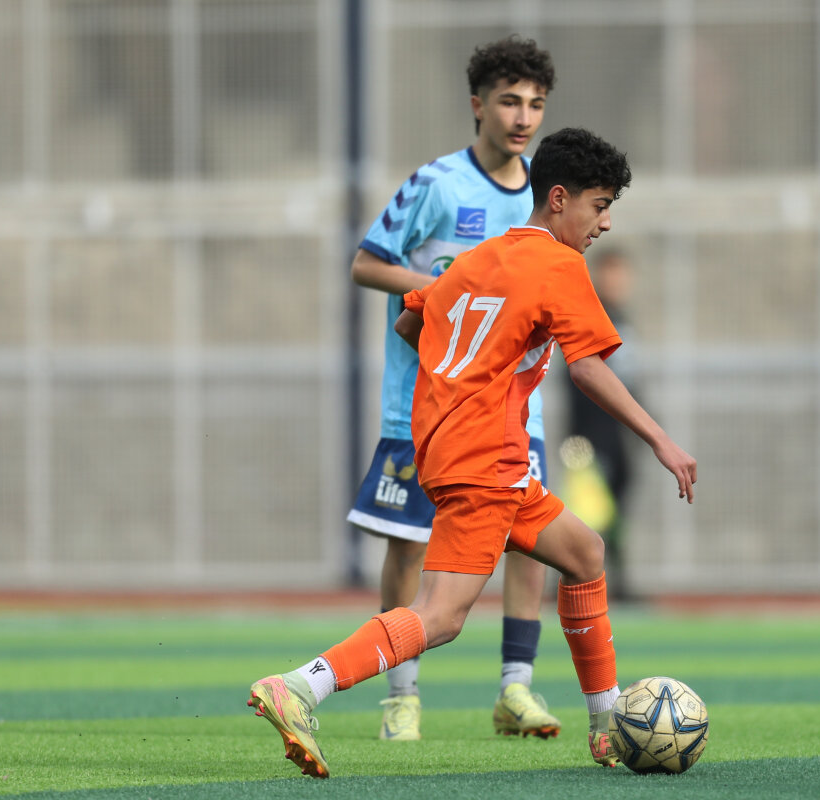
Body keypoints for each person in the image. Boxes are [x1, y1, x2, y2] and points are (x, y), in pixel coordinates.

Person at [248, 127, 697, 778]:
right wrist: (661, 438)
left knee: (583, 553)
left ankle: (606, 724)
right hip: (485, 457)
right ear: (559, 199)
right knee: (441, 616)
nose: (604, 222)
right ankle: (299, 686)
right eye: (599, 205)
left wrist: (462, 377)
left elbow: (409, 320)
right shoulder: (560, 265)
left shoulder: (479, 257)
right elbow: (588, 367)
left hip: (458, 449)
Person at [345, 36, 559, 742]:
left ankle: (515, 689)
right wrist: (447, 291)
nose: (522, 117)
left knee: (530, 541)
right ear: (478, 105)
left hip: (512, 411)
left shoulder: (544, 197)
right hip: (425, 407)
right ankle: (401, 695)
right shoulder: (437, 184)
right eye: (509, 101)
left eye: (535, 104)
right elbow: (366, 263)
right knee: (409, 545)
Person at [562, 249, 638, 599]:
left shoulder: (624, 320)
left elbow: (630, 380)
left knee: (615, 510)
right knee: (586, 513)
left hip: (618, 434)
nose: (618, 282)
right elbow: (579, 377)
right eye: (612, 274)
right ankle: (572, 584)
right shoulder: (589, 315)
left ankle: (616, 583)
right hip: (587, 436)